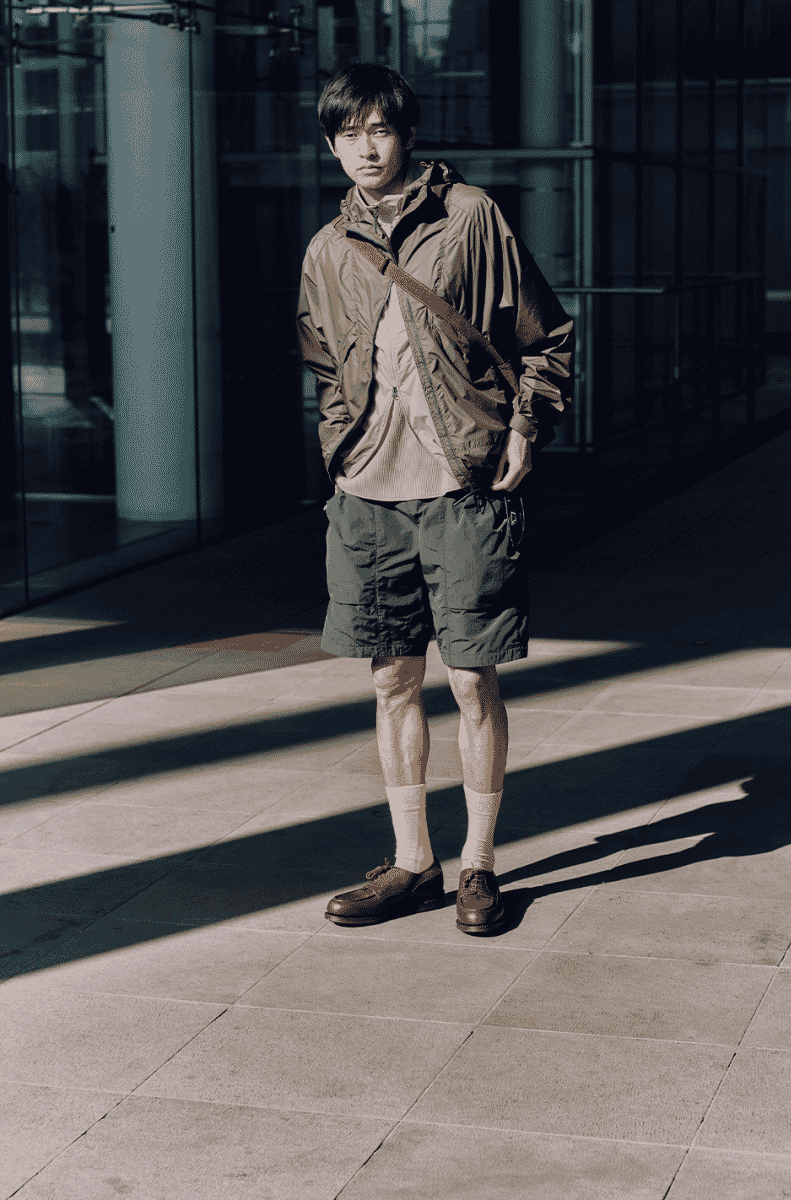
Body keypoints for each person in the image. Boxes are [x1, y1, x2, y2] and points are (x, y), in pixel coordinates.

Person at [297, 62, 573, 935]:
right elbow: (320, 362)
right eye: (347, 134)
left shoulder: (470, 218)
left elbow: (546, 335)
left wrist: (525, 427)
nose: (363, 148)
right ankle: (413, 860)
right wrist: (339, 445)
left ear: (407, 135)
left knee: (472, 678)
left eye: (379, 129)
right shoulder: (327, 249)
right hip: (366, 490)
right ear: (332, 144)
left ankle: (480, 866)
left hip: (462, 484)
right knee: (390, 680)